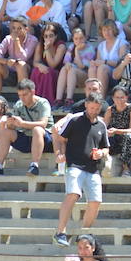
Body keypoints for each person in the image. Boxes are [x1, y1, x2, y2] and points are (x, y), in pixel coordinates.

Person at [53, 96, 109, 246]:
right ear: (86, 105)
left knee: (96, 201)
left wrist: (101, 153)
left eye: (97, 109)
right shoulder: (74, 119)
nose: (94, 111)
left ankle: (84, 234)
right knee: (73, 194)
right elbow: (60, 137)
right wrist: (58, 154)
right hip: (74, 165)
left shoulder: (102, 125)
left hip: (93, 168)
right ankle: (60, 232)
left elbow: (106, 147)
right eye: (91, 108)